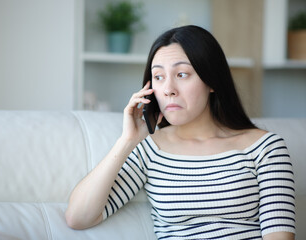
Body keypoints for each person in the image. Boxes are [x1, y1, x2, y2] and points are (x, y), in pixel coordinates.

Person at [65, 25, 295, 239]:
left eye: (182, 74)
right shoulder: (150, 148)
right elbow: (78, 218)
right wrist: (127, 141)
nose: (168, 90)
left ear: (212, 80)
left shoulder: (265, 147)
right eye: (158, 77)